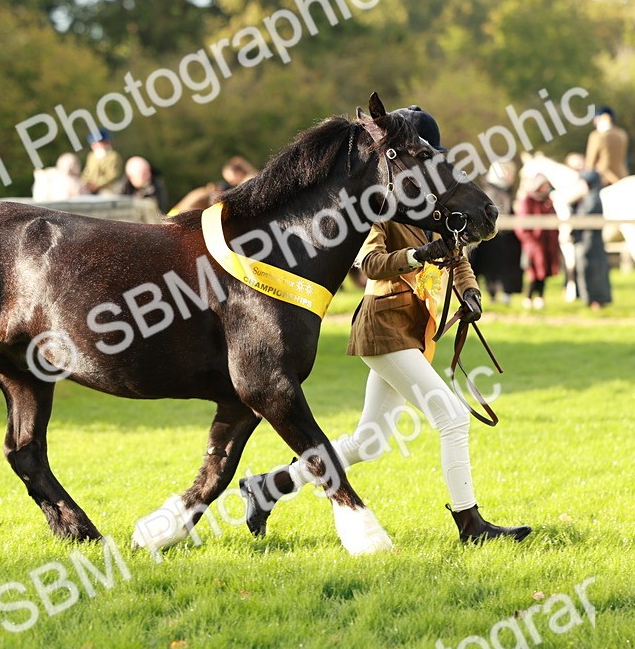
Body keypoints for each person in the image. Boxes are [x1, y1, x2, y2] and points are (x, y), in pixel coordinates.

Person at [238, 106, 532, 547]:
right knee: (452, 419)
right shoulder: (386, 204)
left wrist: (470, 291)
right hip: (383, 326)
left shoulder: (435, 208)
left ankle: (269, 487)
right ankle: (471, 525)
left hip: (413, 331)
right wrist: (416, 257)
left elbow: (457, 256)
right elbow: (371, 265)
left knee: (369, 441)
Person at [468, 161, 523, 305]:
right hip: (494, 240)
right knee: (492, 269)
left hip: (506, 240)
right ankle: (494, 295)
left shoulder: (505, 191)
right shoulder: (492, 192)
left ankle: (504, 295)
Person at [564, 153, 612, 309]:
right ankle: (588, 297)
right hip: (582, 230)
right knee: (584, 262)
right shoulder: (578, 181)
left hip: (590, 229)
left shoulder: (590, 179)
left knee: (592, 262)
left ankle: (596, 298)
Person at [514, 174, 561, 310]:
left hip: (547, 242)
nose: (546, 188)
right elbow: (522, 224)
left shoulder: (548, 201)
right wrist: (529, 239)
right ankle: (528, 297)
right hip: (533, 243)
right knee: (533, 271)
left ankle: (540, 297)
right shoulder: (528, 200)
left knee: (544, 271)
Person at [584, 106, 628, 186]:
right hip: (622, 175)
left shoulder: (596, 136)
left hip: (604, 178)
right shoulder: (622, 134)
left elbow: (591, 161)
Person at [81, 129, 123, 193]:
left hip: (108, 188)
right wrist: (84, 182)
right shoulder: (91, 156)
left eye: (98, 143)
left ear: (106, 142)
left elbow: (113, 174)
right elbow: (86, 172)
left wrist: (97, 184)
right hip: (90, 187)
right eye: (93, 143)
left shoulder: (113, 156)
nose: (95, 146)